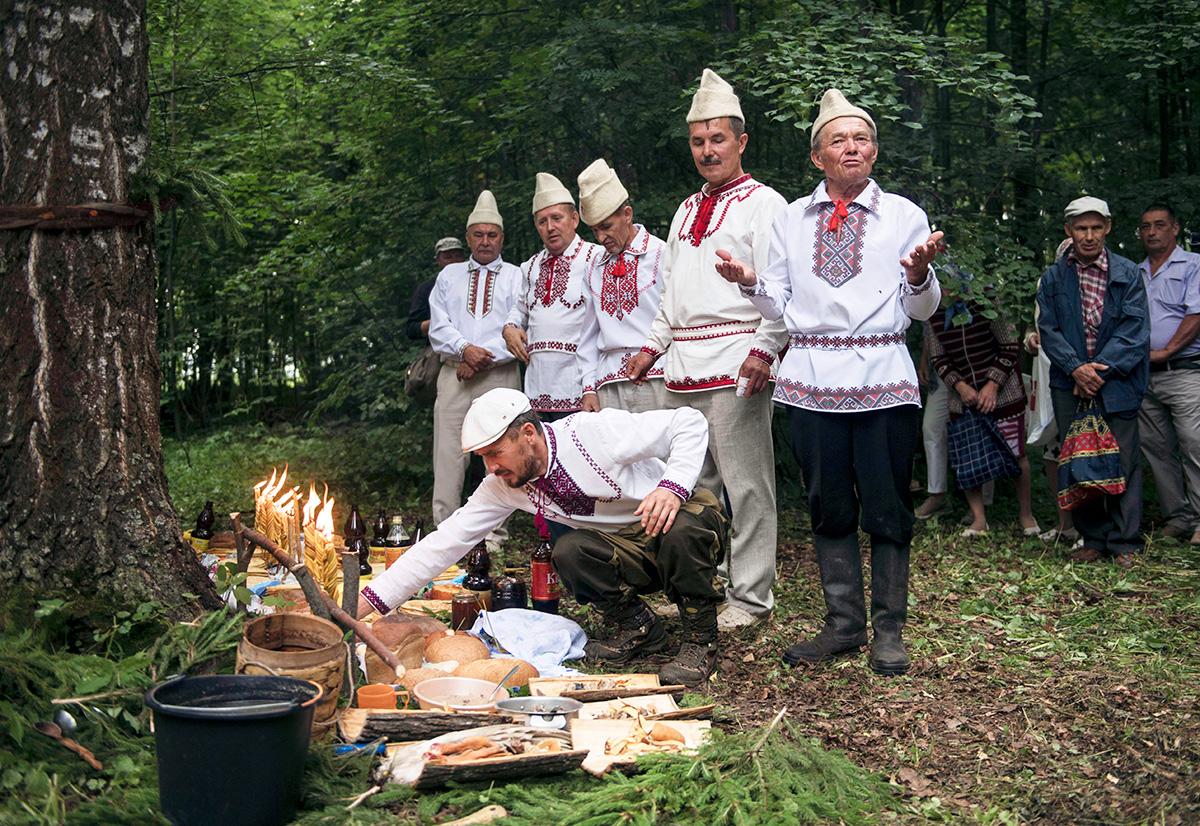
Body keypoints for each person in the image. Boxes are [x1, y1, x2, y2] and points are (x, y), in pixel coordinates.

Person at [716, 88, 944, 675]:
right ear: (817, 157)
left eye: (862, 138)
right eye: (838, 139)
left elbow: (919, 311)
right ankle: (843, 625)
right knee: (828, 504)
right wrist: (749, 282)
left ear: (874, 150)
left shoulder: (903, 216)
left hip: (882, 376)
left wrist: (919, 275)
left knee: (889, 505)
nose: (852, 147)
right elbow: (778, 304)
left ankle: (889, 630)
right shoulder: (792, 219)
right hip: (812, 379)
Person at [357, 388, 729, 686]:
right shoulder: (502, 486)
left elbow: (688, 421)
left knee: (683, 529)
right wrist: (367, 601)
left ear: (529, 434)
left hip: (676, 518)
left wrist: (673, 486)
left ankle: (700, 641)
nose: (491, 467)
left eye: (495, 453)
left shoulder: (593, 432)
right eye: (482, 458)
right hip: (626, 546)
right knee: (568, 550)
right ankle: (640, 629)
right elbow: (444, 543)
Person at [625, 68, 788, 628]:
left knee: (748, 486)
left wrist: (766, 348)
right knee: (695, 488)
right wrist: (651, 347)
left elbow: (781, 287)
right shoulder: (684, 209)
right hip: (682, 366)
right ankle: (704, 585)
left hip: (739, 358)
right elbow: (670, 292)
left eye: (718, 139)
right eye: (698, 141)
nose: (707, 150)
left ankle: (751, 597)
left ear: (741, 142)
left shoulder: (766, 204)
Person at [1036, 196, 1150, 567]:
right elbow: (1048, 329)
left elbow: (1135, 331)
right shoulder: (1053, 277)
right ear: (1068, 231)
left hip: (1117, 382)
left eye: (1096, 228)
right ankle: (1093, 538)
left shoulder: (1128, 272)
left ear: (1108, 228)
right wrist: (1075, 369)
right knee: (1077, 459)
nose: (1089, 236)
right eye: (1081, 229)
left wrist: (1097, 370)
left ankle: (1124, 542)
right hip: (1070, 384)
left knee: (1124, 460)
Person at [428, 191, 523, 540]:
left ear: (502, 238)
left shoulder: (516, 276)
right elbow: (438, 326)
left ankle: (495, 533)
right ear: (468, 238)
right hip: (454, 375)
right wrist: (464, 349)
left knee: (502, 453)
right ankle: (445, 532)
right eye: (478, 235)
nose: (485, 241)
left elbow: (519, 324)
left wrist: (479, 358)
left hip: (499, 376)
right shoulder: (449, 276)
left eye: (492, 235)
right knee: (448, 454)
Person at [926, 295, 1040, 537]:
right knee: (967, 458)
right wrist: (960, 386)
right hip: (962, 395)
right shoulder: (932, 308)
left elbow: (1010, 346)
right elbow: (938, 358)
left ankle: (1026, 515)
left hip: (1003, 392)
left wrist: (993, 384)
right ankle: (979, 519)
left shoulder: (987, 299)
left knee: (1016, 454)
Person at [504, 174, 602, 419]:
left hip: (580, 385)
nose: (550, 227)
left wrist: (592, 386)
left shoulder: (596, 258)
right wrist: (509, 327)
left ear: (574, 219)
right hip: (537, 387)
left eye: (556, 218)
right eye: (542, 221)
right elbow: (519, 310)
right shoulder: (530, 266)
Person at [576, 158, 669, 413]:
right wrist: (589, 387)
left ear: (627, 214)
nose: (601, 237)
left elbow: (675, 315)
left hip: (658, 376)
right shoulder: (593, 266)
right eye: (594, 230)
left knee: (662, 453)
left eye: (606, 226)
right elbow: (588, 333)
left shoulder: (661, 253)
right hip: (609, 384)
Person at [1137, 204, 1200, 545]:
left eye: (1160, 225)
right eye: (1145, 226)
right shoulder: (1136, 272)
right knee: (1156, 448)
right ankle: (1178, 518)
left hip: (1185, 370)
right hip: (1144, 376)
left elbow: (1196, 314)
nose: (1152, 232)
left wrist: (1166, 350)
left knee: (1194, 442)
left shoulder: (1195, 265)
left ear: (1175, 228)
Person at [406, 237, 468, 341]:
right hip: (443, 345)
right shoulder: (427, 289)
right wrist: (443, 322)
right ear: (438, 261)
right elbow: (412, 329)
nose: (454, 261)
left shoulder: (479, 280)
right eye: (448, 257)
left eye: (458, 256)